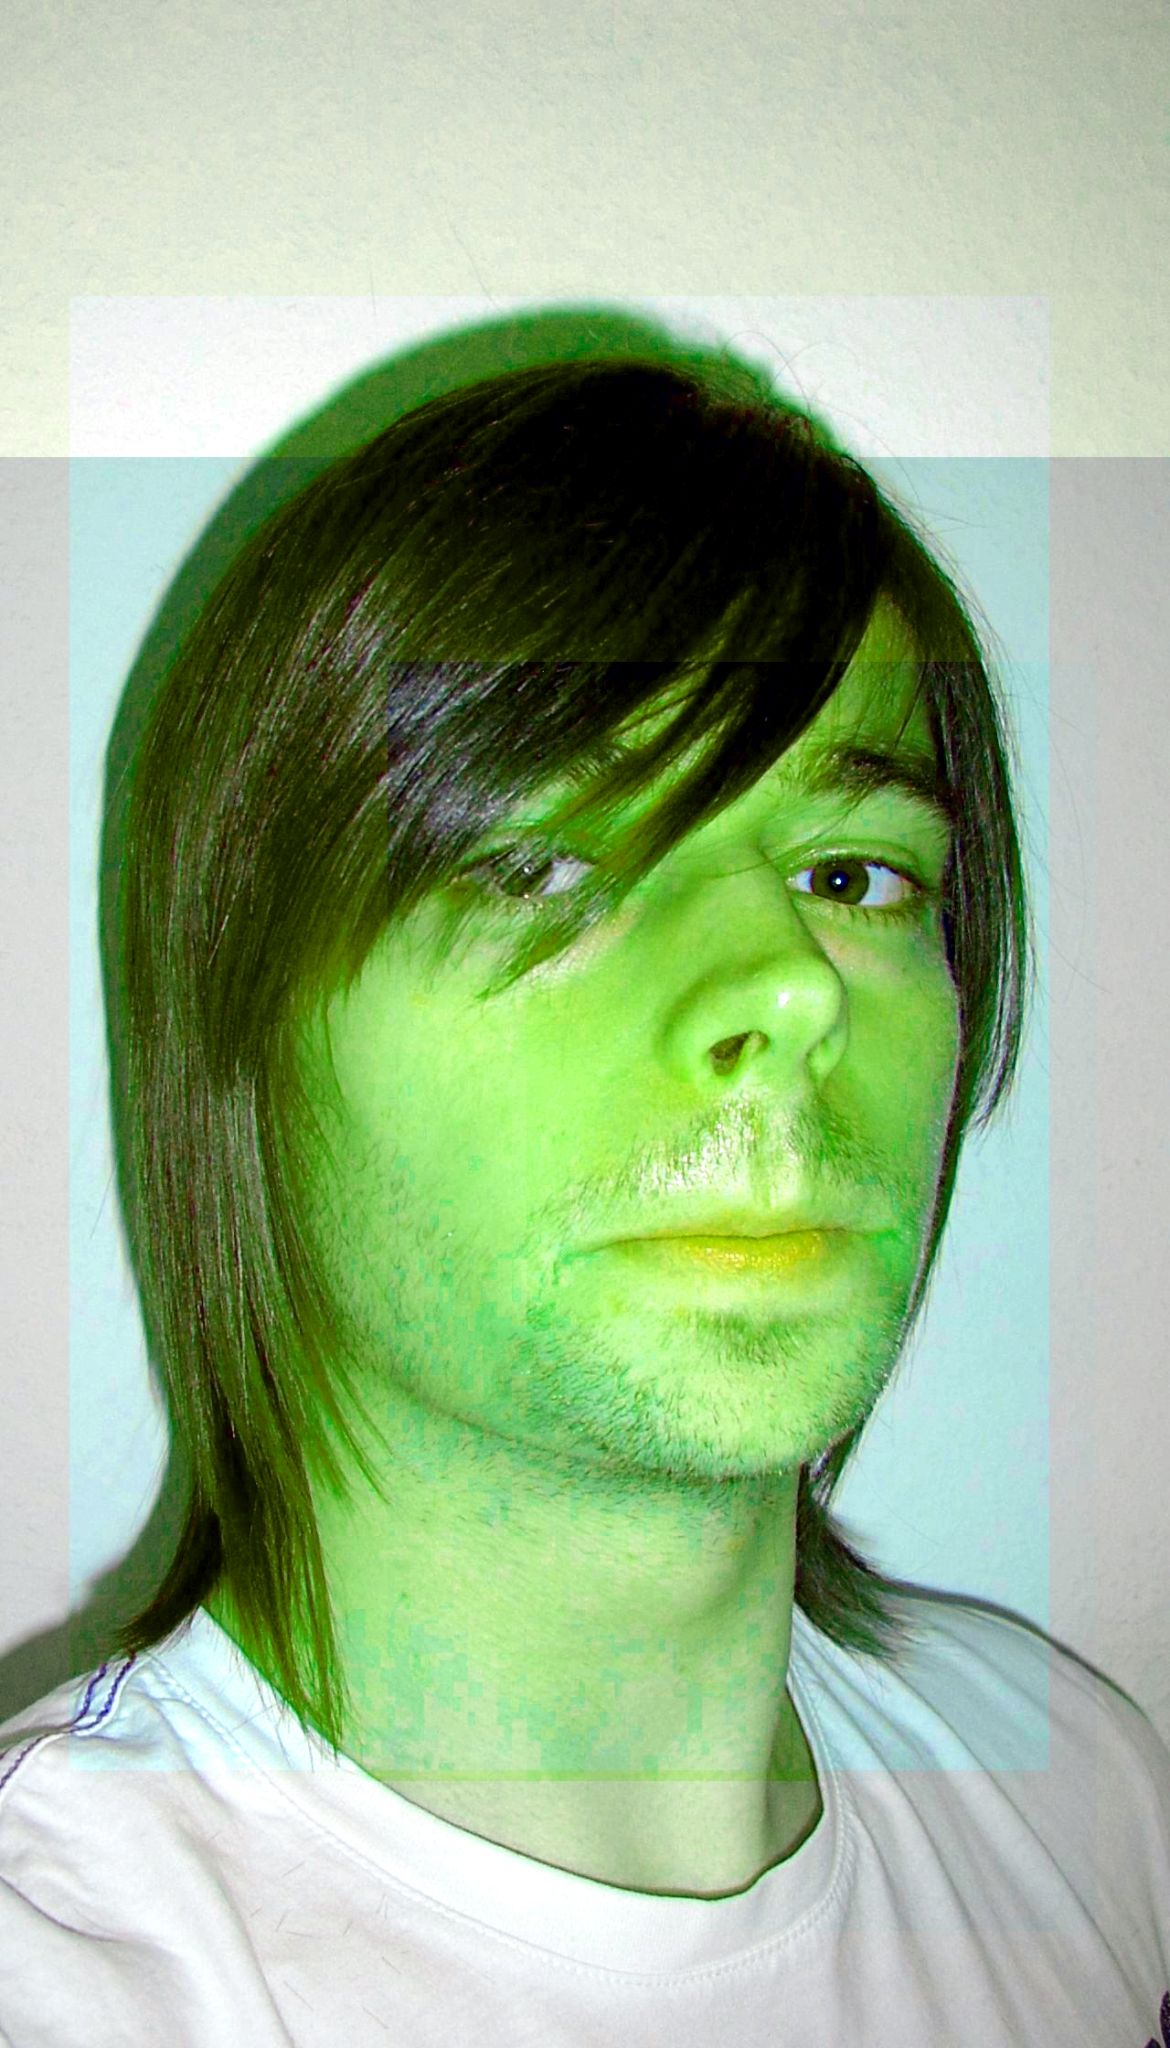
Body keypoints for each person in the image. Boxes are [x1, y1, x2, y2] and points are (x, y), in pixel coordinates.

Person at [1, 353, 1167, 2046]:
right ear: (243, 1031)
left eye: (850, 874)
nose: (786, 985)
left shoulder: (1079, 1795)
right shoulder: (70, 1973)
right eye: (541, 863)